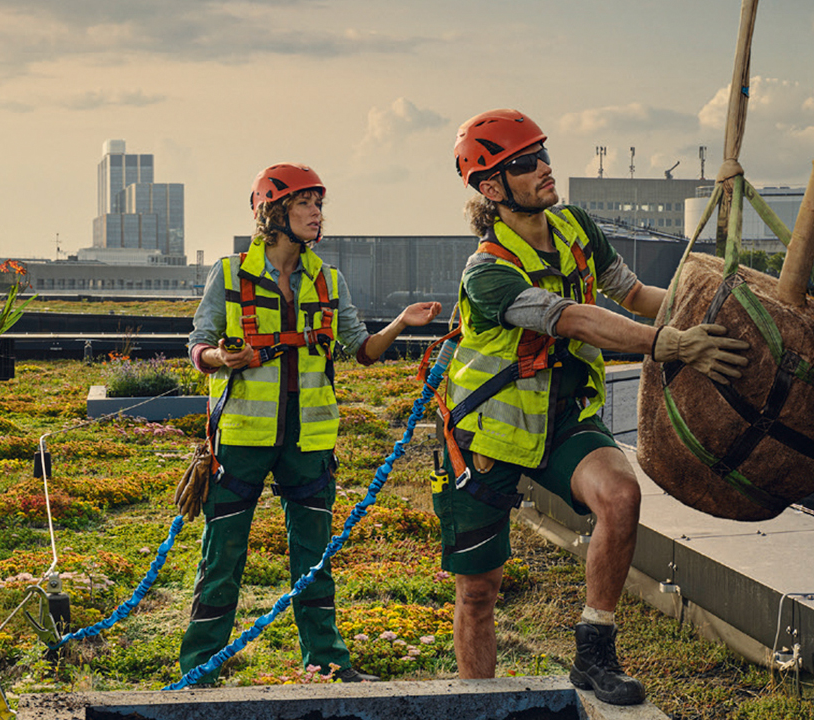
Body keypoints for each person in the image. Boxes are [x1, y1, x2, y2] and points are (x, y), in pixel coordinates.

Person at [439, 109, 750, 705]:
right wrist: (669, 344)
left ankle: (595, 647)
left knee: (621, 495)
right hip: (486, 437)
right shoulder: (487, 273)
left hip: (562, 420)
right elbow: (573, 318)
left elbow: (632, 294)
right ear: (490, 188)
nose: (545, 169)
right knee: (479, 590)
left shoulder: (577, 227)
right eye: (524, 164)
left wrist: (710, 318)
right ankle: (476, 704)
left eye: (544, 154)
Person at [182, 163, 441, 685]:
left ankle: (328, 664)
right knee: (223, 558)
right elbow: (197, 344)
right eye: (304, 204)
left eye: (319, 206)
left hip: (310, 443)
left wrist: (400, 324)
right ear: (272, 213)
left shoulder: (329, 280)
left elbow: (362, 351)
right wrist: (218, 358)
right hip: (239, 441)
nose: (316, 215)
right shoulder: (230, 274)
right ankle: (199, 674)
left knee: (315, 560)